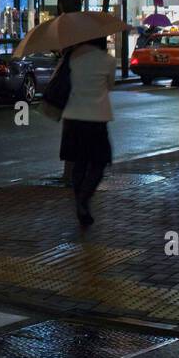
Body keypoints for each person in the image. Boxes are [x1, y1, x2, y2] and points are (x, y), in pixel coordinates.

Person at [61, 35, 116, 226]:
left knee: (79, 162)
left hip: (73, 117)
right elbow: (110, 85)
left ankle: (80, 202)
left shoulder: (73, 56)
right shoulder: (108, 60)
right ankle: (84, 199)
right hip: (97, 118)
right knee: (99, 163)